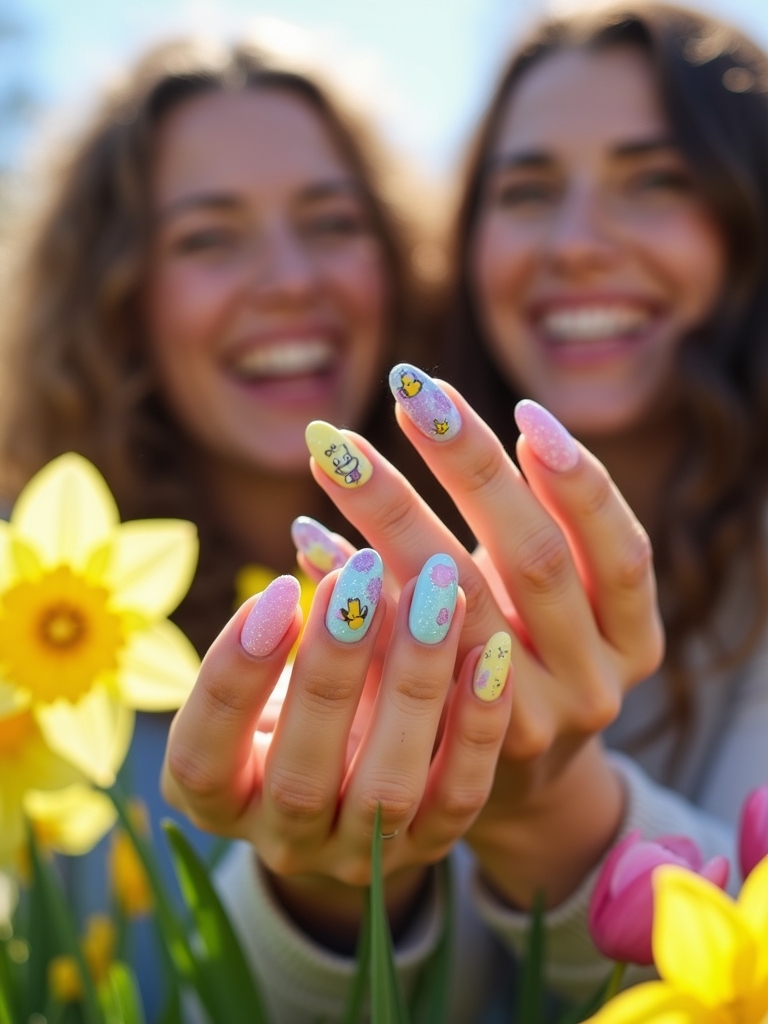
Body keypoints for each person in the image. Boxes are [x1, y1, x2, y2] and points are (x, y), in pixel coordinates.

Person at [162, 2, 768, 1021]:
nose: (577, 243)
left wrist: (553, 809)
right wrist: (335, 880)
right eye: (527, 191)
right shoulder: (413, 567)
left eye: (657, 179)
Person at [0, 36, 467, 1015]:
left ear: (399, 262)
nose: (289, 279)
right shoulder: (27, 608)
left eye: (331, 223)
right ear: (116, 295)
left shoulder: (477, 598)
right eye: (209, 238)